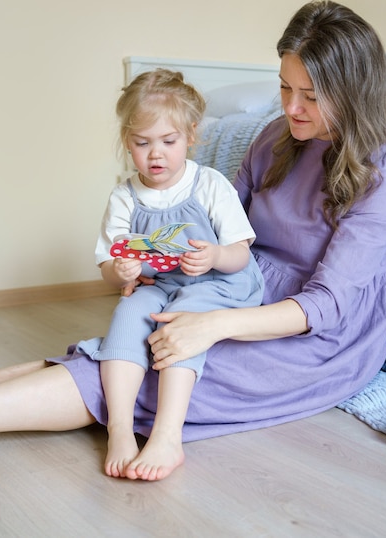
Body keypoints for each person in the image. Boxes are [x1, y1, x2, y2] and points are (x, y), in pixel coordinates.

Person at [0, 0, 386, 482]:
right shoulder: (275, 137)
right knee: (134, 342)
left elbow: (327, 305)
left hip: (315, 332)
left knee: (158, 370)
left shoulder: (381, 174)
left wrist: (211, 326)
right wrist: (157, 271)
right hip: (241, 284)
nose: (291, 107)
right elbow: (221, 229)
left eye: (310, 96)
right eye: (285, 87)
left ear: (353, 93)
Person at [77, 68, 264, 480]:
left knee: (186, 316)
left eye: (168, 141)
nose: (155, 154)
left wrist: (215, 255)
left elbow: (240, 253)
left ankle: (166, 435)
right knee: (127, 315)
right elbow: (111, 268)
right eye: (142, 143)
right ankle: (120, 430)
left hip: (220, 281)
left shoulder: (209, 184)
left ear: (191, 136)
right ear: (128, 141)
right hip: (162, 284)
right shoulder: (124, 197)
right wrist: (119, 270)